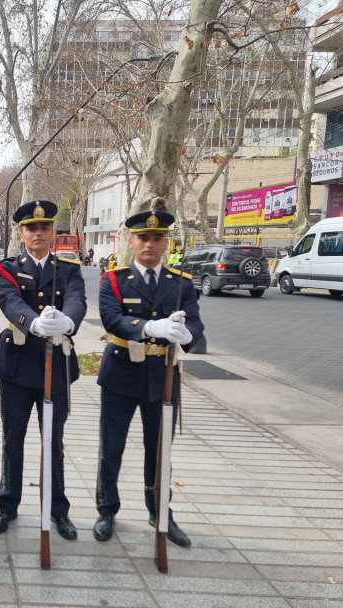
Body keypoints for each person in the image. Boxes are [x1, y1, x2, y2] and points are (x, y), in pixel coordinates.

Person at [93, 210, 204, 547]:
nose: (150, 244)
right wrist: (149, 328)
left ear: (166, 242)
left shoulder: (181, 283)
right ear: (132, 241)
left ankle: (160, 512)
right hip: (121, 372)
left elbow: (197, 327)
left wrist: (186, 335)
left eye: (157, 238)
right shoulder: (113, 279)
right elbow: (112, 320)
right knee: (111, 447)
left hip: (162, 374)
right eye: (143, 238)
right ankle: (107, 509)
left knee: (159, 450)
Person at [0, 200, 87, 540]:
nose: (38, 233)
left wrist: (67, 321)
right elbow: (9, 301)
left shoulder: (69, 269)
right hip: (17, 366)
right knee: (12, 439)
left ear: (52, 233)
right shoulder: (7, 268)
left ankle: (57, 509)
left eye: (44, 228)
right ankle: (7, 505)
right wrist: (35, 323)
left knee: (53, 442)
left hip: (56, 367)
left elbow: (76, 300)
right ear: (21, 233)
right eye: (31, 228)